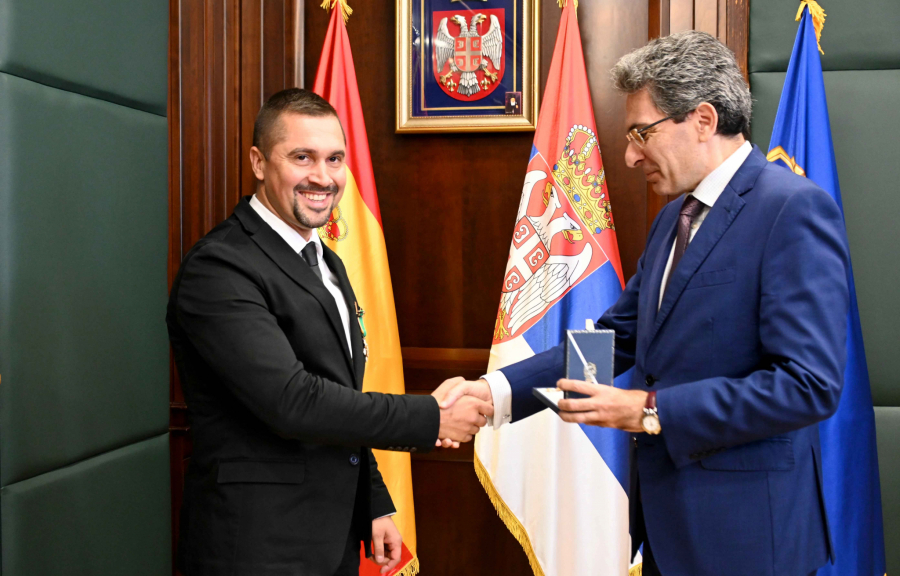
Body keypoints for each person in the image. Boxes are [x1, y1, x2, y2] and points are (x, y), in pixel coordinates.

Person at [436, 32, 849, 576]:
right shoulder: (673, 219)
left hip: (749, 538)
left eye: (640, 133)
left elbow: (808, 385)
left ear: (703, 119)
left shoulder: (791, 210)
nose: (630, 156)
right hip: (665, 531)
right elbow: (616, 340)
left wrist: (650, 411)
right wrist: (495, 391)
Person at [167, 88, 492, 576]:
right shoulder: (219, 267)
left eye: (335, 159)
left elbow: (340, 392)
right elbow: (292, 401)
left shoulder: (326, 261)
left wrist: (373, 501)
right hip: (256, 548)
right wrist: (431, 417)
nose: (323, 177)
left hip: (331, 537)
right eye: (303, 157)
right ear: (258, 162)